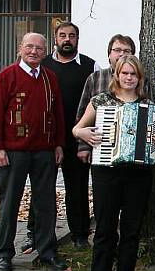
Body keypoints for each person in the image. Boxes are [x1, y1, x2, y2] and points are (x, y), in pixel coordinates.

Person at [72, 55, 155, 271]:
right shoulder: (101, 101)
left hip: (138, 173)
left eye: (134, 74)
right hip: (106, 172)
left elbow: (154, 140)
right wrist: (84, 133)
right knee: (105, 230)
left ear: (139, 78)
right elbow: (76, 129)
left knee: (131, 231)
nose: (129, 78)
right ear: (117, 75)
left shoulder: (148, 105)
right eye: (125, 73)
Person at [0, 32, 67, 271]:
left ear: (45, 51)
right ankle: (4, 253)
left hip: (44, 152)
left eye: (39, 48)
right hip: (13, 153)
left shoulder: (49, 78)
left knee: (46, 204)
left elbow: (58, 113)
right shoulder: (7, 77)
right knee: (10, 203)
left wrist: (59, 144)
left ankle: (47, 251)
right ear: (20, 48)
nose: (34, 52)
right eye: (29, 47)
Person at [24, 22, 99, 250]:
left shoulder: (89, 65)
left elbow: (97, 102)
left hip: (78, 138)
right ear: (55, 38)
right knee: (42, 188)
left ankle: (79, 234)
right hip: (47, 139)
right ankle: (34, 233)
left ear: (78, 39)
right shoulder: (43, 66)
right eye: (63, 35)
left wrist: (86, 141)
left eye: (72, 36)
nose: (67, 39)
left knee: (77, 188)